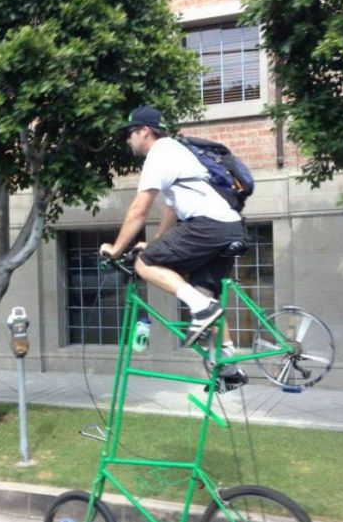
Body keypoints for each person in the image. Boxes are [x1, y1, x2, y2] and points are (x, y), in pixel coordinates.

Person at [99, 106, 248, 380]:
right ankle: (230, 366)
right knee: (202, 295)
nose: (127, 140)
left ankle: (203, 310)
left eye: (129, 133)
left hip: (207, 225)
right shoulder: (177, 152)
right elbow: (171, 208)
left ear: (144, 131)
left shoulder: (160, 154)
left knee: (145, 265)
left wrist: (117, 250)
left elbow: (138, 210)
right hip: (229, 227)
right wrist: (154, 243)